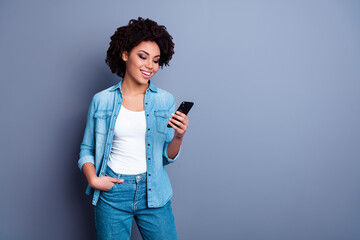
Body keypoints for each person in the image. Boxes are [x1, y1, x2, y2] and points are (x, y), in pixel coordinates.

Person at [77, 17, 189, 240]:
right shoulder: (102, 101)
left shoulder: (165, 101)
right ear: (125, 54)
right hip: (112, 193)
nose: (150, 66)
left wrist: (178, 136)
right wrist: (93, 179)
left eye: (156, 60)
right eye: (143, 56)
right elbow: (86, 149)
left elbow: (167, 156)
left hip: (154, 191)